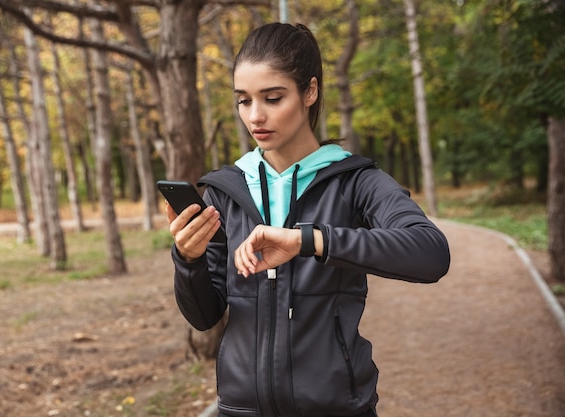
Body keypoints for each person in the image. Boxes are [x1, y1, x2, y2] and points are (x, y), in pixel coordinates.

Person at [165, 22, 450, 417]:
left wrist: (310, 240)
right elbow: (203, 316)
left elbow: (430, 253)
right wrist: (188, 260)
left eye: (273, 97)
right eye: (244, 100)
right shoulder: (224, 191)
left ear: (310, 91)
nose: (256, 116)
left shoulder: (355, 181)